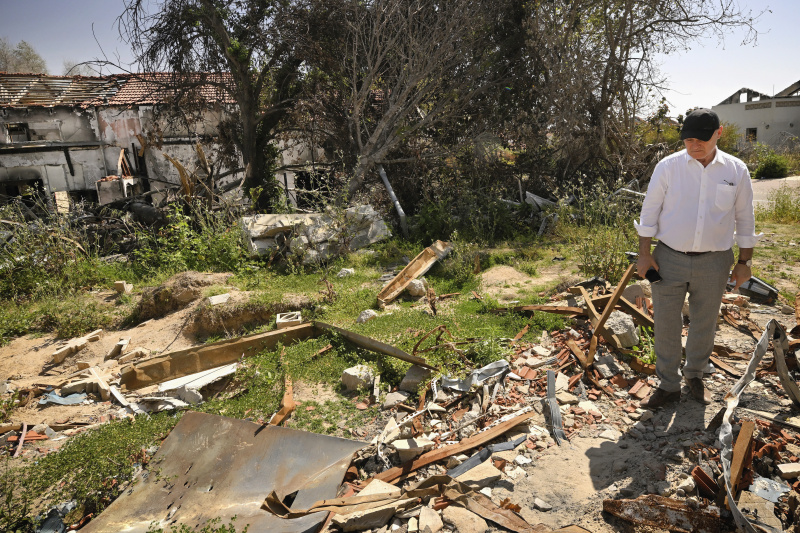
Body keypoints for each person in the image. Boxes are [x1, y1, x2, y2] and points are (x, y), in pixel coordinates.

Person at [634, 108, 760, 408]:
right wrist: (644, 254)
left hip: (715, 261)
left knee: (705, 321)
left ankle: (694, 375)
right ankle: (668, 385)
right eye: (688, 139)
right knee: (666, 321)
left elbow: (745, 219)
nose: (694, 145)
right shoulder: (669, 167)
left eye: (701, 139)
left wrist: (744, 263)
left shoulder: (736, 170)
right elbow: (649, 212)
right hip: (669, 257)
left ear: (718, 134)